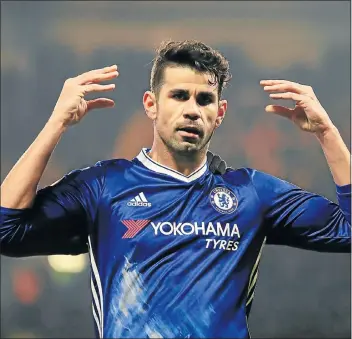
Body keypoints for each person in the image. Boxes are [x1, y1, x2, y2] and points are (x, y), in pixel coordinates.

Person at [0, 40, 350, 339]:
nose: (192, 111)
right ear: (151, 104)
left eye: (204, 99)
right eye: (179, 96)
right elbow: (6, 228)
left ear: (220, 112)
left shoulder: (251, 193)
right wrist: (56, 124)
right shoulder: (105, 186)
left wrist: (327, 133)